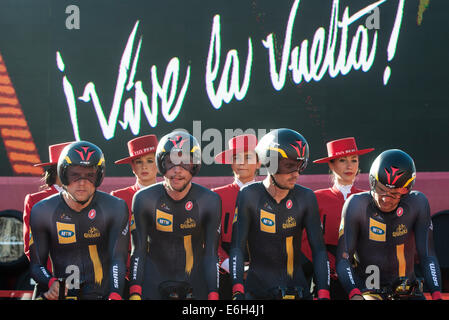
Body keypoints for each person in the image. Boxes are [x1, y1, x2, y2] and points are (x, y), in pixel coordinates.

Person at [230, 128, 330, 300]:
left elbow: (319, 250)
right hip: (257, 291)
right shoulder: (249, 195)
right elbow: (237, 247)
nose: (296, 174)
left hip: (297, 289)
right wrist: (237, 290)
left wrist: (323, 293)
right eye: (289, 166)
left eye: (301, 166)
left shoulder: (306, 197)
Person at [336, 149, 443, 300]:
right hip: (370, 290)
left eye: (395, 194)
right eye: (381, 190)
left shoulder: (417, 203)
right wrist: (354, 294)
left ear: (406, 191)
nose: (386, 199)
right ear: (372, 181)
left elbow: (427, 256)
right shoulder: (356, 205)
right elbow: (343, 257)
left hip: (408, 291)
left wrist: (437, 294)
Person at [29, 141, 129, 300]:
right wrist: (50, 282)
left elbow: (118, 259)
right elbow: (36, 265)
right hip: (63, 295)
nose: (82, 183)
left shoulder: (115, 207)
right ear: (62, 175)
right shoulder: (42, 211)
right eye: (74, 174)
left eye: (90, 175)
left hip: (102, 295)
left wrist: (115, 294)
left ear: (99, 177)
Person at [128, 131, 221, 300]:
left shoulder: (210, 200)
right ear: (160, 164)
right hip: (152, 283)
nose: (177, 170)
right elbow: (138, 251)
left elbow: (211, 254)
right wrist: (135, 292)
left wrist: (213, 294)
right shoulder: (143, 199)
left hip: (195, 283)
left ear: (195, 165)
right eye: (170, 162)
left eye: (185, 162)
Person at [301, 137, 374, 299]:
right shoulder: (316, 198)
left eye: (354, 160)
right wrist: (328, 266)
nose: (349, 166)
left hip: (365, 277)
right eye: (342, 160)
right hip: (327, 277)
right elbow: (305, 242)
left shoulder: (370, 199)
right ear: (331, 164)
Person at [212, 134, 260, 299]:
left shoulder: (272, 194)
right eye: (236, 157)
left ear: (259, 162)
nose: (242, 162)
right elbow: (208, 241)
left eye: (248, 157)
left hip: (263, 273)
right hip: (224, 273)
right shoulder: (215, 196)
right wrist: (230, 266)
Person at [23, 141, 73, 261]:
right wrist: (49, 278)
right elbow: (31, 248)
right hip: (52, 275)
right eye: (74, 168)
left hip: (88, 276)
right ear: (59, 169)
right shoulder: (35, 200)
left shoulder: (91, 197)